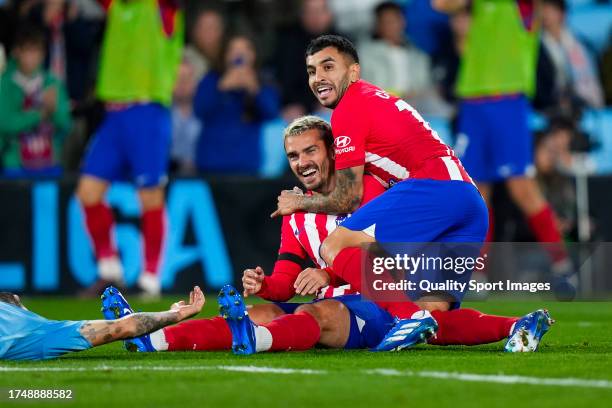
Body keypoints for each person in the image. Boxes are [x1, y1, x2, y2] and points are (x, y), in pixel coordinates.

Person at [102, 116, 553, 355]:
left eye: (310, 150)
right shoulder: (298, 216)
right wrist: (266, 283)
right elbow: (286, 278)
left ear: (334, 151)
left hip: (384, 299)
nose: (301, 162)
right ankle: (154, 338)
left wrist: (324, 268)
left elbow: (396, 254)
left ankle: (256, 340)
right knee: (263, 308)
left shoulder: (373, 191)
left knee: (327, 313)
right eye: (293, 155)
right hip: (355, 298)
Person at [268, 34, 488, 352]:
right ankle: (517, 328)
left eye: (328, 67)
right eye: (312, 70)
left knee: (336, 244)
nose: (318, 78)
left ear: (354, 72)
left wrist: (298, 201)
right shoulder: (373, 98)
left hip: (433, 188)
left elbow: (347, 199)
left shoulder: (348, 108)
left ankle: (407, 319)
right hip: (469, 201)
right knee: (434, 312)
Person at [433, 0, 578, 293]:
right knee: (475, 191)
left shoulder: (520, 5)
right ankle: (477, 275)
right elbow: (441, 5)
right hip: (472, 104)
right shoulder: (476, 8)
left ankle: (563, 265)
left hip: (508, 102)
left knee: (521, 187)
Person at [76, 0, 184, 297]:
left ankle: (150, 279)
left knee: (150, 197)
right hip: (113, 114)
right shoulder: (116, 6)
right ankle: (109, 271)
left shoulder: (163, 7)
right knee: (88, 192)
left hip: (147, 110)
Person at [0, 286, 204, 361]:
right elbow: (125, 327)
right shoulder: (41, 332)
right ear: (16, 303)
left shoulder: (39, 332)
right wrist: (174, 314)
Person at [194, 33, 279, 175]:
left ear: (254, 55)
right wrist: (221, 87)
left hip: (246, 164)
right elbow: (199, 110)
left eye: (246, 50)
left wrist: (255, 90)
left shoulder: (262, 82)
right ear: (225, 55)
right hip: (211, 164)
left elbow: (271, 113)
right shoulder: (211, 79)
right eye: (233, 50)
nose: (239, 55)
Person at [0, 25, 71, 178]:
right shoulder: (5, 84)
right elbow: (5, 123)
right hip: (15, 166)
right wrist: (40, 114)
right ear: (17, 52)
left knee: (48, 202)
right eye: (27, 51)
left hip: (49, 165)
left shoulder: (52, 83)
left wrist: (53, 110)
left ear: (43, 54)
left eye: (36, 51)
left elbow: (65, 123)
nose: (32, 57)